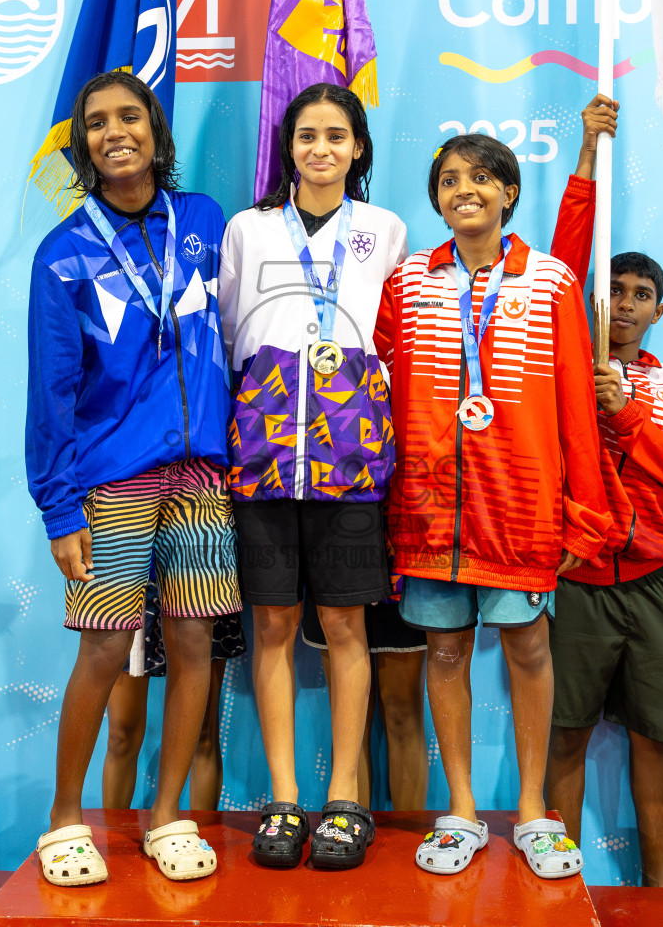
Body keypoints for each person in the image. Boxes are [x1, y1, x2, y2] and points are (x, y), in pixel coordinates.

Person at [374, 133, 611, 879]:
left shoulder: (549, 283)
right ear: (436, 197)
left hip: (521, 506)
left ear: (509, 192)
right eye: (448, 180)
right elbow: (377, 399)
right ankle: (463, 810)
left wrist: (583, 511)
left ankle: (535, 812)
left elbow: (575, 402)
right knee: (444, 652)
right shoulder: (408, 283)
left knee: (529, 650)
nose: (463, 190)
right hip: (430, 509)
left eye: (481, 177)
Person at [26, 70, 238, 886]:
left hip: (203, 477)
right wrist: (58, 508)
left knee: (193, 645)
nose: (116, 132)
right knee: (107, 648)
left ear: (156, 130)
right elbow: (51, 392)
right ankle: (64, 819)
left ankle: (167, 813)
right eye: (98, 123)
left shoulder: (203, 220)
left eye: (131, 116)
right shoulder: (64, 253)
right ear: (81, 144)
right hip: (111, 481)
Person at [218, 83, 408, 869]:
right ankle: (285, 801)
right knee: (270, 628)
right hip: (264, 460)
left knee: (344, 628)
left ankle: (345, 800)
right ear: (286, 146)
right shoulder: (248, 229)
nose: (320, 148)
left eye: (336, 135)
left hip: (351, 464)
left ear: (358, 148)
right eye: (306, 136)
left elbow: (395, 340)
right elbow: (231, 334)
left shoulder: (385, 230)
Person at [546, 94, 663, 887]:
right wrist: (587, 153)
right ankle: (555, 886)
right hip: (576, 582)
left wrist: (631, 416)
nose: (623, 305)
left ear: (658, 310)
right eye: (613, 291)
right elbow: (566, 256)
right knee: (565, 736)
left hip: (652, 583)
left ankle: (660, 892)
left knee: (654, 740)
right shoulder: (562, 366)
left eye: (638, 295)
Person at [100, 588, 246, 812]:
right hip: (133, 581)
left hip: (198, 579)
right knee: (122, 735)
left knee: (202, 734)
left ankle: (203, 841)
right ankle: (112, 842)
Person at [300, 590, 428, 812]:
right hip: (338, 567)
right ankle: (348, 829)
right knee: (348, 722)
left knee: (403, 713)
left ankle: (408, 837)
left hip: (398, 572)